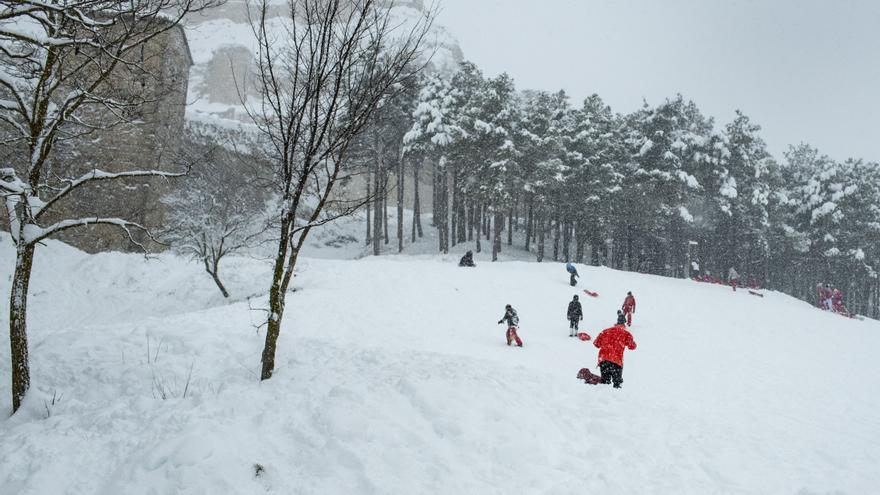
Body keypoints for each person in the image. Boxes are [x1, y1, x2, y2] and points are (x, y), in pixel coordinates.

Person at [592, 311, 637, 388]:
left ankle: (602, 398)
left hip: (603, 360)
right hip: (616, 362)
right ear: (624, 324)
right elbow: (632, 347)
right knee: (617, 385)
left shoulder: (606, 331)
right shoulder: (626, 334)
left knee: (604, 384)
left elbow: (596, 344)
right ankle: (616, 397)